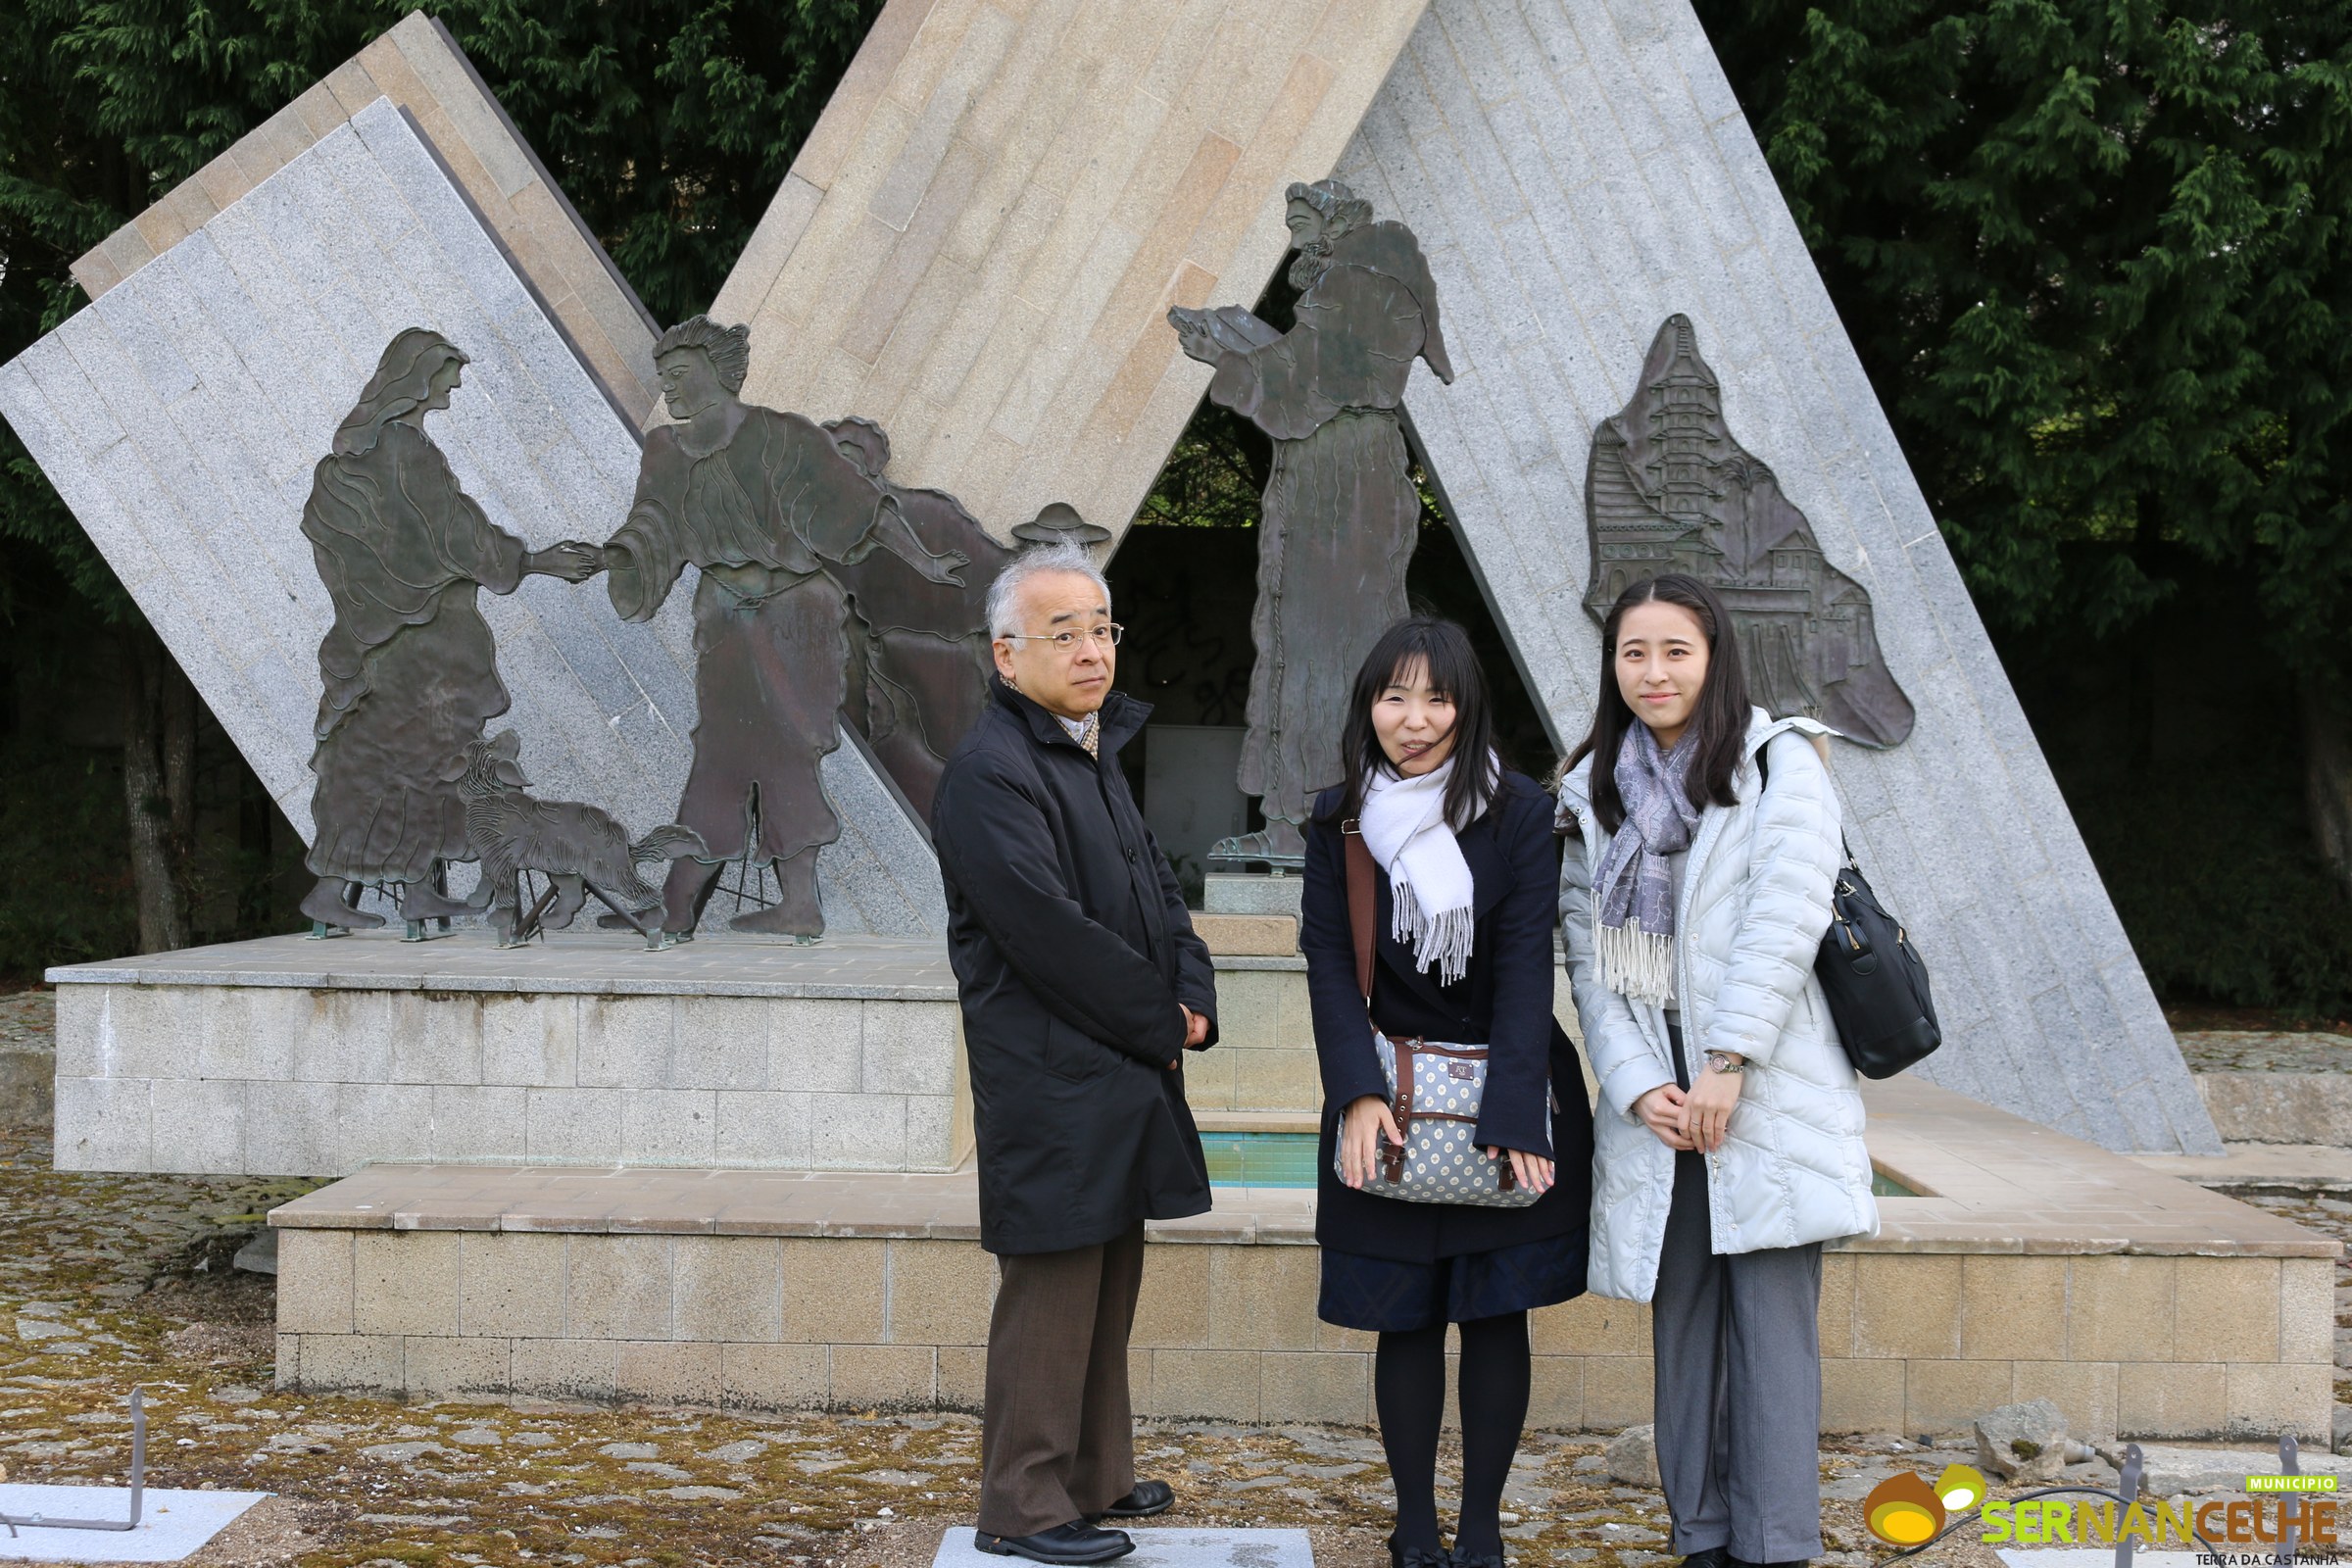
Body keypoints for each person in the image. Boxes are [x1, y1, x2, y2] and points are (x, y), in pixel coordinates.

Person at [1556, 573, 1879, 1568]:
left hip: (1763, 1091)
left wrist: (1728, 1062)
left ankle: (1776, 1542)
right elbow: (1588, 953)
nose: (1654, 672)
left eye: (1675, 651)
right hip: (1662, 1102)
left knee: (1775, 1333)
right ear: (1613, 667)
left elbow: (1788, 920)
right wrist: (1639, 1079)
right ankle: (1700, 1534)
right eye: (1634, 653)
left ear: (1714, 656)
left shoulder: (1781, 765)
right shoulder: (1593, 787)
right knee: (1683, 1324)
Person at [931, 542, 1219, 1566]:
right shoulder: (989, 774)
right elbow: (1045, 932)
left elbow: (1157, 891)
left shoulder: (1088, 750)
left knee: (1106, 1272)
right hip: (1053, 1072)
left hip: (1117, 1063)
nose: (1093, 650)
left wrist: (1192, 993)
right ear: (1007, 657)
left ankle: (1093, 1476)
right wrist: (1156, 1019)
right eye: (1065, 634)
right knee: (1053, 1284)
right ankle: (1021, 1503)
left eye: (1102, 628)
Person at [1299, 617, 1593, 1568]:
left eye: (1436, 697)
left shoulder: (1517, 813)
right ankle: (1416, 1526)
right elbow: (1328, 968)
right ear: (1368, 707)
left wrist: (1514, 1111)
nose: (1414, 719)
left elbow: (1523, 966)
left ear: (1466, 707)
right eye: (1395, 696)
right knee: (1407, 1316)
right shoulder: (1339, 819)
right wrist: (1355, 1092)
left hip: (1500, 1093)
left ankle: (1481, 1528)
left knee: (1495, 1311)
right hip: (1383, 1099)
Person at [602, 317, 967, 938]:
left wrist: (926, 561)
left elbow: (861, 508)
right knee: (719, 753)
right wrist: (617, 556)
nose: (670, 388)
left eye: (682, 374)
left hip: (794, 612)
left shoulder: (782, 436)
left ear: (720, 373)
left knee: (789, 747)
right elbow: (652, 526)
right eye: (663, 377)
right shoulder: (664, 450)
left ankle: (791, 903)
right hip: (722, 617)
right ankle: (681, 902)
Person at [1171, 178, 1452, 865]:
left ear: (1335, 226)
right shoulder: (1346, 286)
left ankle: (1341, 816)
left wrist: (1228, 355)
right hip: (1327, 475)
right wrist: (1245, 354)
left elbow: (1314, 381)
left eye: (1301, 227)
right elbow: (1310, 369)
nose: (1293, 242)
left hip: (1344, 487)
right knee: (1296, 642)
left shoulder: (1365, 282)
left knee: (1335, 646)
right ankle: (1290, 820)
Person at [300, 327, 603, 931]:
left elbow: (356, 548)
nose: (457, 384)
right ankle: (328, 892)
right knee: (401, 758)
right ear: (419, 378)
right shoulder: (407, 452)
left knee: (417, 760)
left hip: (389, 643)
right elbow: (461, 535)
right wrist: (540, 561)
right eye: (448, 372)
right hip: (420, 647)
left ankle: (413, 889)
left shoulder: (354, 461)